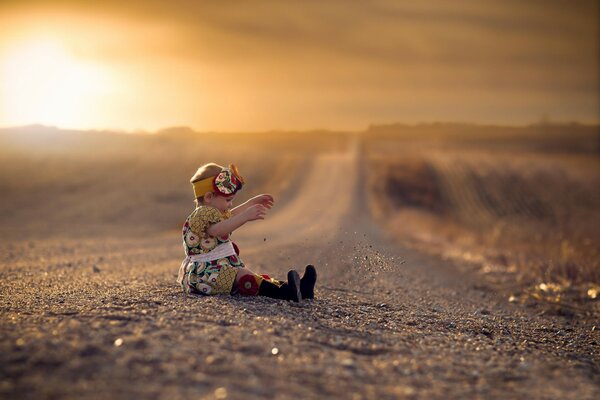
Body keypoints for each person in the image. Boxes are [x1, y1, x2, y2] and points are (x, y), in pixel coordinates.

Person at [177, 162, 317, 302]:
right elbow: (217, 230)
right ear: (208, 197)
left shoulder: (213, 212)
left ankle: (299, 289)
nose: (230, 204)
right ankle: (287, 293)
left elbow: (230, 216)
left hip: (217, 268)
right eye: (228, 200)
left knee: (249, 275)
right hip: (207, 275)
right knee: (245, 277)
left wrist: (250, 203)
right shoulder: (202, 214)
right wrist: (245, 216)